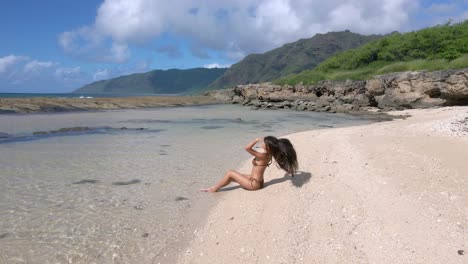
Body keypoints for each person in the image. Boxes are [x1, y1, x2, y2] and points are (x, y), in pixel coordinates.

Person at [200, 136, 298, 192]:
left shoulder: (262, 156)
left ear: (268, 147)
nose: (262, 142)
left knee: (230, 172)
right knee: (230, 176)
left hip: (254, 185)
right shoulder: (268, 155)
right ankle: (216, 187)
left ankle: (213, 189)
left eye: (264, 142)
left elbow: (247, 148)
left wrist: (255, 140)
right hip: (257, 181)